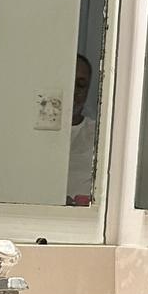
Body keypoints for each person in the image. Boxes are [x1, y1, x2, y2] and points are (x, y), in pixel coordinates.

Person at [66, 52, 98, 206]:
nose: (73, 91)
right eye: (68, 81)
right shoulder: (29, 133)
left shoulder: (98, 135)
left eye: (80, 85)